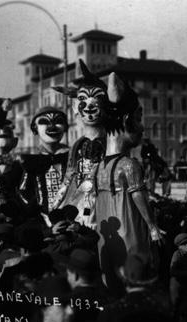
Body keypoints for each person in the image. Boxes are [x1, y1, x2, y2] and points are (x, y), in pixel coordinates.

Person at [92, 73, 164, 296]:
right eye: (139, 119)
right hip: (129, 233)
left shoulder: (97, 167)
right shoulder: (129, 165)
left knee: (111, 283)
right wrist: (152, 227)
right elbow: (138, 197)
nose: (142, 128)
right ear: (126, 121)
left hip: (104, 240)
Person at [51, 60, 107, 225]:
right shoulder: (77, 146)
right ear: (76, 107)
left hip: (103, 199)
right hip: (78, 198)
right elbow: (69, 175)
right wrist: (55, 205)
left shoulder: (110, 142)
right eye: (83, 99)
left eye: (96, 99)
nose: (89, 107)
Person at [19, 106, 69, 214]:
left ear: (65, 127)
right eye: (44, 122)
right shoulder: (31, 162)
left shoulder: (72, 158)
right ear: (34, 128)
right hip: (44, 220)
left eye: (59, 121)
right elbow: (23, 191)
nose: (52, 127)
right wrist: (38, 212)